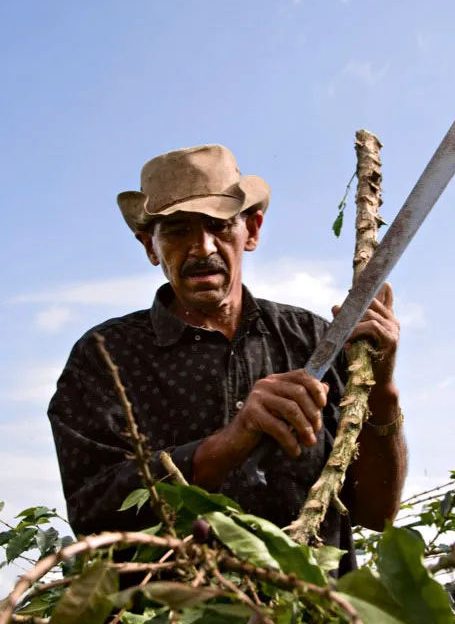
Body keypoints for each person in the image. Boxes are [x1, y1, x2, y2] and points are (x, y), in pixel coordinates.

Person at [48, 144, 407, 571]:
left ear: (251, 230)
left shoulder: (314, 339)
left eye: (219, 225)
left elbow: (375, 513)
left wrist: (381, 390)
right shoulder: (105, 358)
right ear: (150, 246)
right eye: (178, 230)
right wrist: (231, 442)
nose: (202, 247)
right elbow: (94, 515)